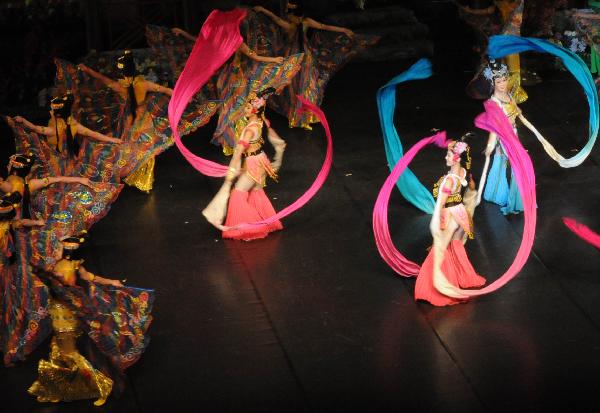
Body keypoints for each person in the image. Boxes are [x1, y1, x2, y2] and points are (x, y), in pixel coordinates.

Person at [28, 232, 153, 406]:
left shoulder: (69, 270)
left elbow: (76, 288)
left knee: (70, 355)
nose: (55, 250)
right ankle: (57, 388)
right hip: (57, 319)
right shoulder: (57, 268)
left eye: (58, 248)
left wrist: (111, 282)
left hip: (69, 322)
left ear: (66, 251)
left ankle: (102, 386)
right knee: (60, 353)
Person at [255, 1, 379, 129]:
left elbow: (323, 26)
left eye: (292, 16)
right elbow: (323, 26)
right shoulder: (299, 23)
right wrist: (344, 29)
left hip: (300, 59)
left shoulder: (296, 24)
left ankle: (304, 117)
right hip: (298, 59)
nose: (290, 18)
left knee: (303, 88)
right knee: (299, 88)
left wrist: (344, 29)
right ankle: (300, 117)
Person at [203, 87, 285, 240]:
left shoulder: (249, 130)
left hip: (254, 163)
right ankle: (266, 222)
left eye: (248, 107)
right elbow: (270, 131)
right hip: (261, 159)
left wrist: (232, 171)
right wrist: (279, 148)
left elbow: (238, 152)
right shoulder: (261, 121)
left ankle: (250, 229)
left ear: (255, 110)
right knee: (256, 191)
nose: (245, 110)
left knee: (238, 193)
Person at [414, 138, 486, 306]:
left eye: (448, 154)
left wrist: (434, 221)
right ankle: (463, 276)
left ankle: (439, 288)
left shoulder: (449, 180)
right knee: (456, 245)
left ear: (456, 158)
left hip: (449, 215)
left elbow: (440, 203)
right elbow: (472, 186)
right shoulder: (461, 172)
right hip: (460, 213)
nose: (446, 157)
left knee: (441, 250)